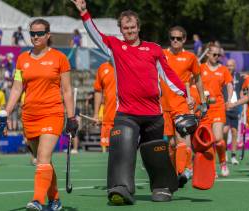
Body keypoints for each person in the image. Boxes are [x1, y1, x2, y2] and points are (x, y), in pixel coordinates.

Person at [72, 0, 190, 205]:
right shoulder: (115, 47)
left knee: (155, 154)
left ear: (139, 27)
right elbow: (95, 35)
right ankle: (121, 188)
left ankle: (162, 187)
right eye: (125, 28)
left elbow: (168, 74)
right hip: (127, 114)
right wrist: (84, 13)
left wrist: (185, 95)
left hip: (154, 115)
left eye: (132, 27)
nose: (129, 31)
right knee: (123, 148)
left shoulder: (153, 49)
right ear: (121, 30)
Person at [2, 19, 78, 211]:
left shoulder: (60, 58)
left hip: (52, 112)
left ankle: (37, 200)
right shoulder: (22, 59)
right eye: (32, 34)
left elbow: (67, 90)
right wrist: (5, 112)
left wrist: (72, 117)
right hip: (29, 115)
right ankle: (55, 200)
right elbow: (17, 88)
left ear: (48, 34)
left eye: (40, 33)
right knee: (44, 161)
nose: (35, 37)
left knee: (43, 158)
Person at [161, 26, 205, 187]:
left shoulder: (190, 57)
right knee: (171, 145)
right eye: (172, 38)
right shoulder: (162, 55)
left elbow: (198, 79)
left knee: (182, 141)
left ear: (184, 40)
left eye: (178, 38)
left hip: (181, 104)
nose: (175, 41)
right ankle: (175, 172)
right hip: (164, 104)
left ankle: (183, 171)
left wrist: (203, 100)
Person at [199, 43, 234, 177]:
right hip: (204, 108)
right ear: (207, 54)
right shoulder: (200, 68)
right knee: (208, 141)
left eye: (219, 55)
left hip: (218, 106)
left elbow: (229, 84)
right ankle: (212, 168)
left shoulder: (223, 69)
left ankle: (223, 162)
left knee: (218, 138)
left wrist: (229, 99)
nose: (217, 57)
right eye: (214, 54)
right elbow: (192, 82)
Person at [93, 61, 116, 153]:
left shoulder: (129, 63)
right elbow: (98, 91)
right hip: (108, 118)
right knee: (111, 152)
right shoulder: (102, 67)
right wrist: (95, 114)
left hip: (126, 116)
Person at [222, 59, 242, 165]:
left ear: (234, 66)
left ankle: (233, 155)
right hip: (225, 108)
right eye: (227, 65)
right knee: (224, 131)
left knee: (234, 132)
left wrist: (242, 107)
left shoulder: (239, 77)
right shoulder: (222, 75)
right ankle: (224, 151)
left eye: (231, 66)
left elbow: (242, 92)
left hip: (235, 107)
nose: (229, 67)